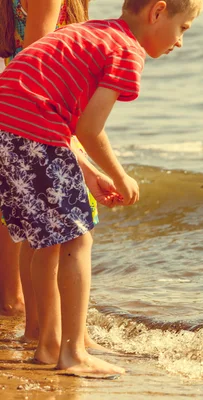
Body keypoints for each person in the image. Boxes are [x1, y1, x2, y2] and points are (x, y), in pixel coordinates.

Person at [0, 0, 203, 376]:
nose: (180, 43)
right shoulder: (126, 50)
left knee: (45, 239)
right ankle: (73, 353)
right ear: (157, 12)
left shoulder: (93, 32)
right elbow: (89, 129)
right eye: (183, 29)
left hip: (8, 127)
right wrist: (120, 174)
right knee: (78, 241)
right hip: (33, 131)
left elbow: (55, 110)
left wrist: (89, 172)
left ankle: (47, 343)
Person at [0, 0, 118, 359]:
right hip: (46, 121)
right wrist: (77, 149)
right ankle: (54, 337)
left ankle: (42, 330)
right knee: (65, 233)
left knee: (38, 232)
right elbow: (41, 70)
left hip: (32, 119)